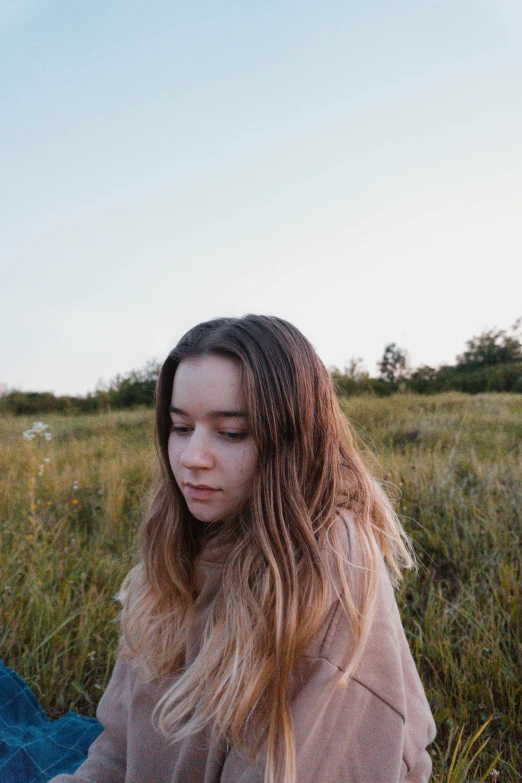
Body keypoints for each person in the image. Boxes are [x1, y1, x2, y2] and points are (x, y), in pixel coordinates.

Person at [49, 315, 436, 783]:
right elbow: (116, 746)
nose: (192, 457)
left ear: (292, 439)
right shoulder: (182, 537)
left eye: (231, 433)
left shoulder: (326, 571)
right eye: (180, 427)